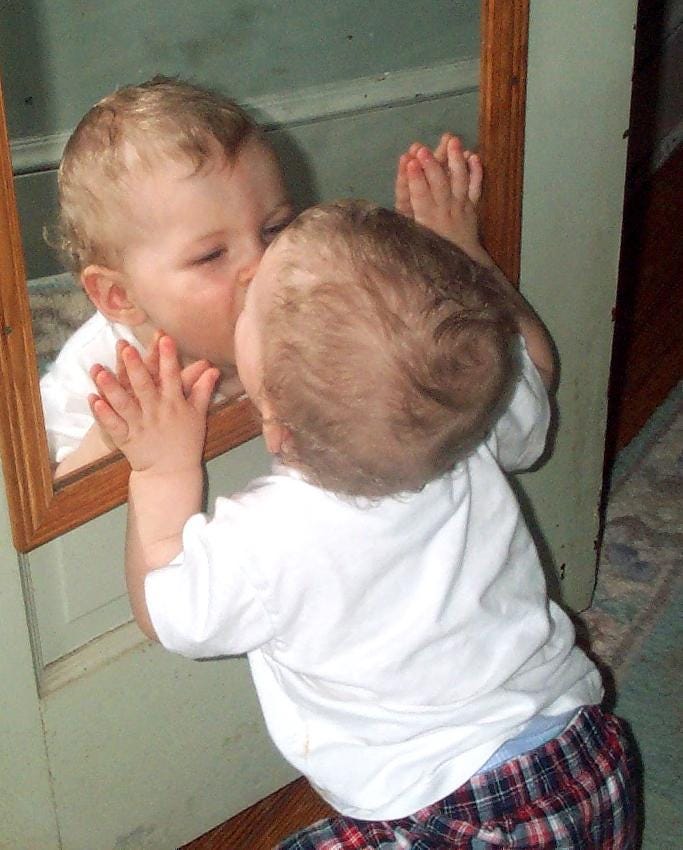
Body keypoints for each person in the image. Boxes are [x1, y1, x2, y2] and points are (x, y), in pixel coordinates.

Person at [88, 194, 637, 844]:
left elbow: (171, 612)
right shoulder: (467, 426)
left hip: (446, 820)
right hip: (588, 768)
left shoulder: (268, 535)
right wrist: (469, 256)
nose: (245, 275)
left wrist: (163, 470)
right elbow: (533, 367)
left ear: (275, 428)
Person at [39, 73, 472, 480]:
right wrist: (110, 439)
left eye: (274, 228)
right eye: (211, 255)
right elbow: (58, 500)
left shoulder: (318, 304)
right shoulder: (101, 371)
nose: (264, 265)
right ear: (119, 297)